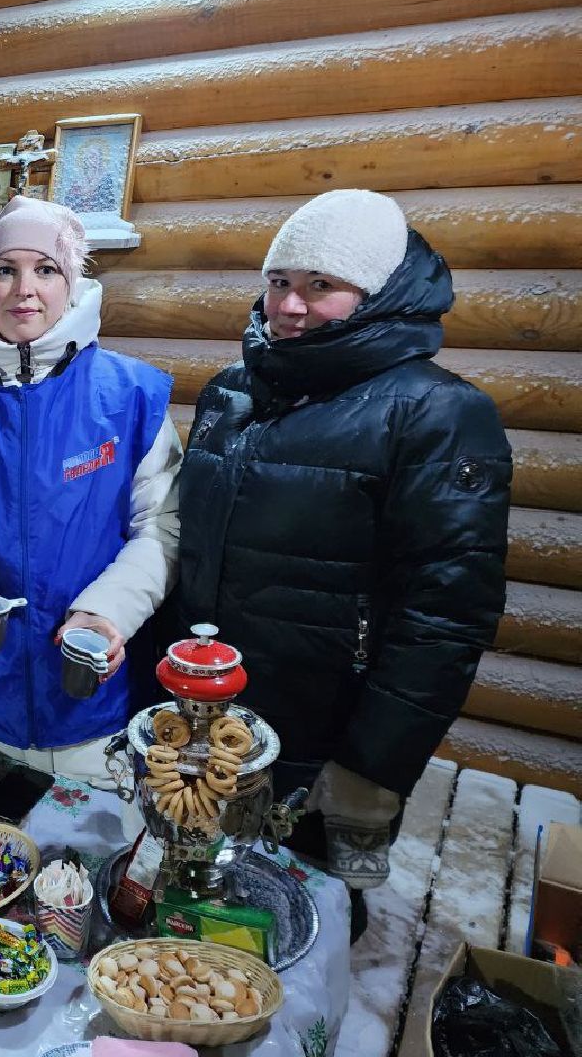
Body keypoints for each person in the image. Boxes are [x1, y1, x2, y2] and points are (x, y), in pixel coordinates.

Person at [177, 189, 511, 939]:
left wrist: (371, 767)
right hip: (213, 717)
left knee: (305, 925)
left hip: (327, 732)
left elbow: (448, 613)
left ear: (376, 292)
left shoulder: (438, 414)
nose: (290, 306)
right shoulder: (231, 393)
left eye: (321, 286)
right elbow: (190, 550)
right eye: (279, 282)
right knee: (196, 915)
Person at [0, 196, 181, 788]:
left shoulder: (131, 397)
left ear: (70, 283)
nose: (26, 289)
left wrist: (109, 611)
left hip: (90, 710)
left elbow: (162, 529)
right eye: (5, 269)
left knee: (79, 877)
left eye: (46, 270)